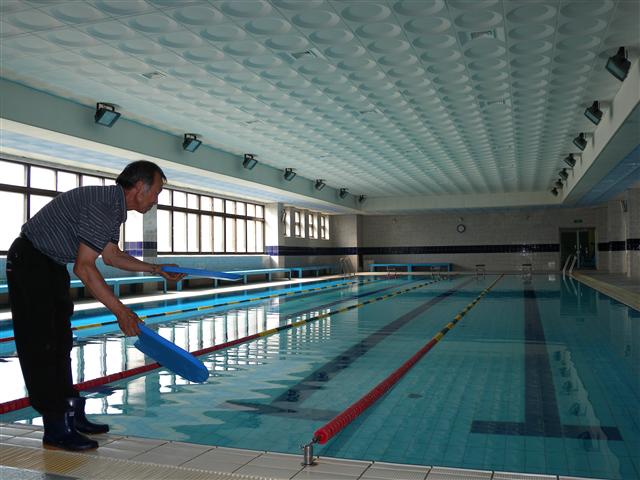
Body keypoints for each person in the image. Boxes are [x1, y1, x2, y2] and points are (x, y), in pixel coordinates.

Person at [6, 160, 184, 451]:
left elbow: (112, 256)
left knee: (61, 342)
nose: (156, 200)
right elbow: (85, 267)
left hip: (48, 265)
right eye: (156, 192)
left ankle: (71, 414)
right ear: (140, 187)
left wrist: (157, 269)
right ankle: (55, 426)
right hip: (30, 262)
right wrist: (121, 312)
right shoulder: (103, 206)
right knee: (41, 345)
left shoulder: (113, 209)